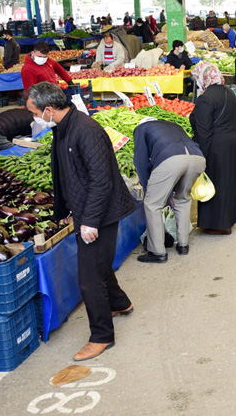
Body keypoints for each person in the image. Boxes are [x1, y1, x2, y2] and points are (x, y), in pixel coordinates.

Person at [27, 82, 136, 362]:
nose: (34, 118)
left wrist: (89, 221)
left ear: (49, 109)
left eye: (35, 113)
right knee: (98, 265)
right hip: (86, 209)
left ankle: (102, 335)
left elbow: (101, 181)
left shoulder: (86, 130)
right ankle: (120, 303)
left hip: (101, 213)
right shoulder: (62, 128)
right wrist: (65, 208)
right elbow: (68, 173)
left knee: (89, 278)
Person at [132, 117, 203, 263]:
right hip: (197, 158)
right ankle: (183, 245)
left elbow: (141, 161)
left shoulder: (141, 129)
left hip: (171, 159)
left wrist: (148, 188)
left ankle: (157, 252)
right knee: (183, 199)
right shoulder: (172, 125)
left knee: (152, 204)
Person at [190, 69, 236, 234]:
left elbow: (203, 131)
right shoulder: (230, 93)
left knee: (214, 183)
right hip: (233, 142)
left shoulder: (205, 98)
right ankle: (228, 220)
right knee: (228, 182)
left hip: (216, 146)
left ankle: (218, 225)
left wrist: (202, 155)